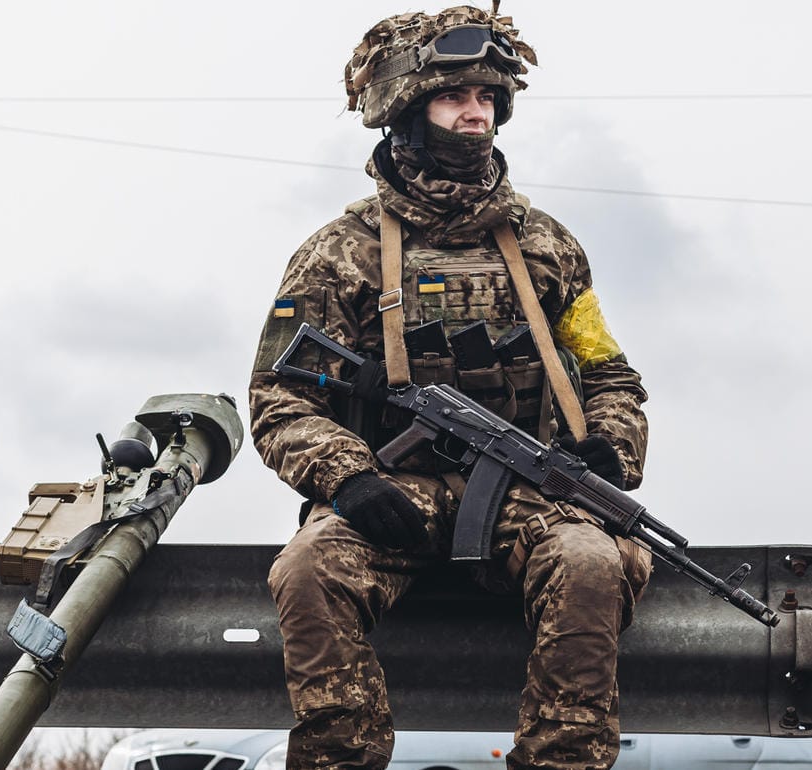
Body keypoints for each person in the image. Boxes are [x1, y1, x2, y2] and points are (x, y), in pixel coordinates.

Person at [248, 7, 652, 769]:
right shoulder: (339, 254)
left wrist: (609, 449)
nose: (477, 116)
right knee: (305, 569)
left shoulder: (546, 245)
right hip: (394, 490)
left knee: (593, 562)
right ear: (404, 109)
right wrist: (350, 477)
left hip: (531, 493)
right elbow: (278, 396)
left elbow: (607, 372)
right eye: (454, 98)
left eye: (488, 100)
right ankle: (341, 757)